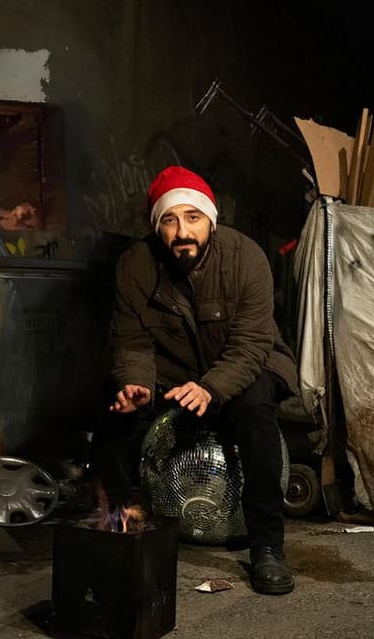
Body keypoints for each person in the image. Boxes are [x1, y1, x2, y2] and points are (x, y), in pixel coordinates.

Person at [93, 165, 301, 595]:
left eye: (193, 217)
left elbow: (251, 344)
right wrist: (137, 385)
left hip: (250, 363)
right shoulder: (135, 265)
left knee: (254, 409)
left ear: (211, 220)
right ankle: (120, 526)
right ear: (157, 227)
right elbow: (131, 342)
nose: (182, 231)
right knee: (114, 409)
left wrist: (212, 388)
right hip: (175, 370)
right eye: (169, 220)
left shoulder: (245, 258)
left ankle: (267, 545)